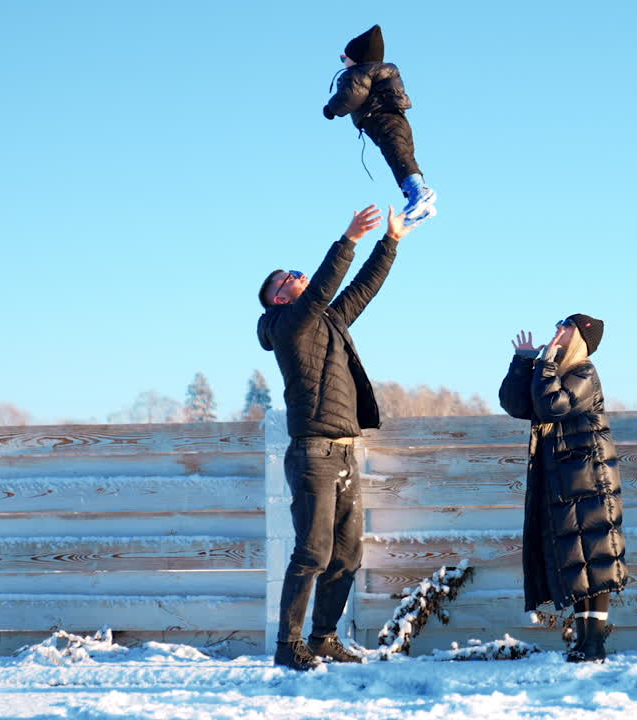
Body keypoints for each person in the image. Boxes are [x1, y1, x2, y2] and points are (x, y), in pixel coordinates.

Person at [256, 203, 416, 670]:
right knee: (313, 550)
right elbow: (323, 287)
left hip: (344, 451)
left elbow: (362, 289)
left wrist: (391, 241)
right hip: (313, 454)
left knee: (346, 554)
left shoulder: (328, 321)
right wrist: (347, 239)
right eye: (290, 278)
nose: (300, 278)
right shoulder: (286, 326)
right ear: (280, 298)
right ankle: (288, 646)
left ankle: (323, 637)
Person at [498, 314, 627, 663]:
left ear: (581, 337)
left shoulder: (584, 373)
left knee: (596, 561)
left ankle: (594, 644)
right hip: (564, 481)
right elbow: (518, 405)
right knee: (576, 563)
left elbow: (553, 406)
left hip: (590, 480)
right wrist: (525, 363)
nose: (557, 332)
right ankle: (584, 643)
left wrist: (546, 366)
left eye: (565, 327)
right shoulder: (554, 372)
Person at [324, 25, 436, 227]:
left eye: (344, 59)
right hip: (399, 120)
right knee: (402, 156)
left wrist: (331, 109)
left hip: (381, 120)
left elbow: (350, 97)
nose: (343, 63)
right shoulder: (386, 72)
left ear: (358, 59)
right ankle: (418, 197)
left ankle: (419, 195)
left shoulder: (358, 73)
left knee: (397, 156)